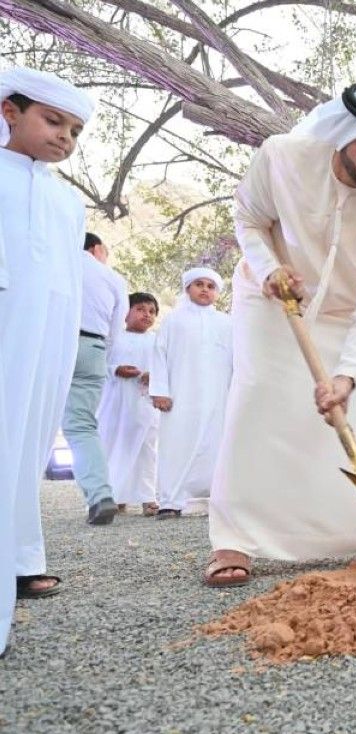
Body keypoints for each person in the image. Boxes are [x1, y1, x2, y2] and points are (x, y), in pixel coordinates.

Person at [206, 83, 356, 586]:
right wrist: (269, 267)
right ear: (344, 136)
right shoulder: (281, 157)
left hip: (347, 311)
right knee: (258, 402)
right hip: (272, 301)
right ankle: (234, 540)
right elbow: (250, 218)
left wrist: (348, 377)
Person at [0, 67, 94, 655]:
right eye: (53, 120)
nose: (65, 138)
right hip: (8, 319)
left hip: (51, 329)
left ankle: (19, 556)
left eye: (75, 130)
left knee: (30, 440)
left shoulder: (67, 200)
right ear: (10, 111)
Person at [149, 268, 232, 518]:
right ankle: (170, 501)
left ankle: (217, 500)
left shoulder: (227, 323)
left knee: (217, 445)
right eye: (199, 284)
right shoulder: (174, 320)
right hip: (180, 396)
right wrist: (159, 391)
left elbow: (238, 360)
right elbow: (159, 355)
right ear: (187, 288)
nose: (205, 289)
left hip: (219, 396)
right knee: (176, 445)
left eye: (210, 286)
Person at [63, 232, 128, 525]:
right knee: (82, 426)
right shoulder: (113, 278)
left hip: (50, 342)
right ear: (97, 248)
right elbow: (117, 331)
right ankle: (100, 495)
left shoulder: (56, 261)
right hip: (93, 346)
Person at [98, 292, 160, 516]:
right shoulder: (112, 338)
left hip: (145, 404)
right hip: (115, 402)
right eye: (141, 309)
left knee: (147, 449)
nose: (147, 315)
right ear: (125, 312)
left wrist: (155, 376)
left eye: (152, 312)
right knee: (113, 446)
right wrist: (116, 369)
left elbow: (166, 366)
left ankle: (148, 498)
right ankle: (114, 497)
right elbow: (98, 365)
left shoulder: (157, 341)